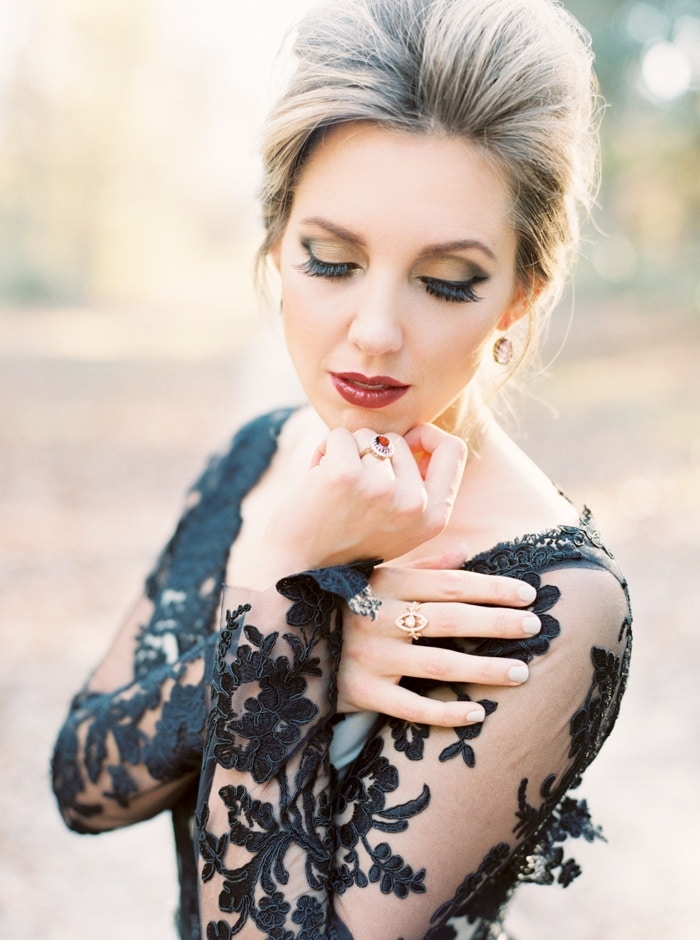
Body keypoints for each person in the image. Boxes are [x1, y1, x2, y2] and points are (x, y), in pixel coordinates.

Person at [51, 0, 632, 938]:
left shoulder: (551, 599)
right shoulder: (258, 455)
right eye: (331, 261)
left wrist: (277, 589)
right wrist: (311, 654)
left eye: (446, 281)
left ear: (520, 296)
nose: (374, 332)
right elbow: (82, 781)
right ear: (278, 244)